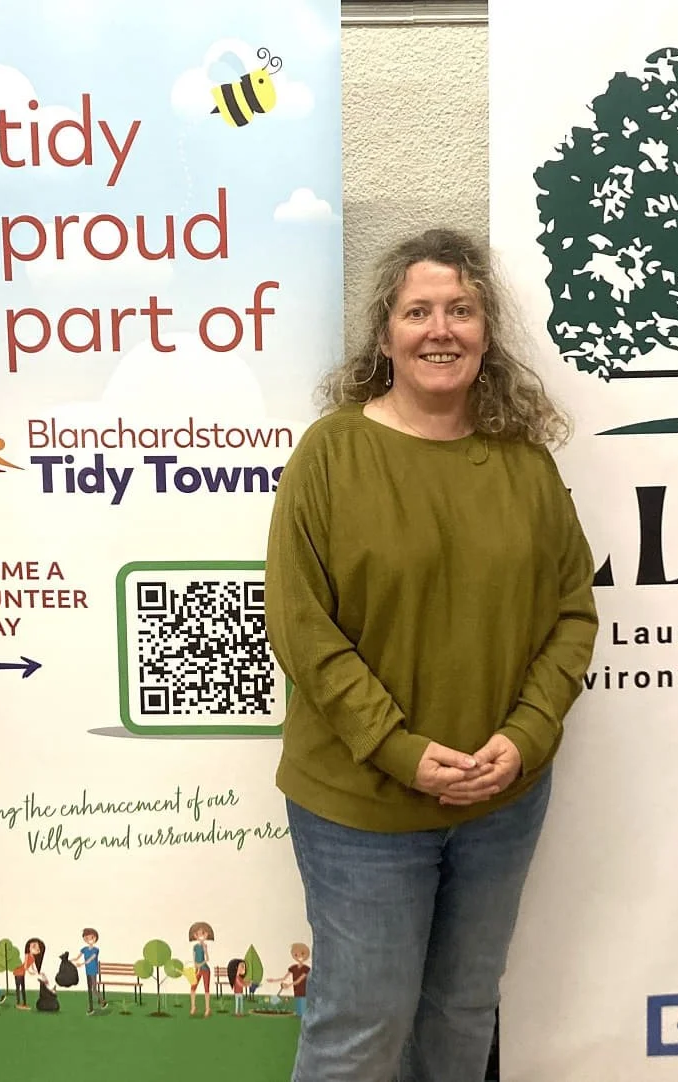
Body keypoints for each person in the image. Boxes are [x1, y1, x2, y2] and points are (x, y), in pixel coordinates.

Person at [265, 227, 599, 1082]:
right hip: (361, 810)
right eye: (418, 311)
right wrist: (401, 752)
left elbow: (571, 613)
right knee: (360, 1023)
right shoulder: (331, 456)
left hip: (500, 801)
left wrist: (524, 738)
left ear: (487, 333)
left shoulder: (524, 466)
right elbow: (303, 629)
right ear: (385, 335)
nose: (439, 328)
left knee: (462, 1015)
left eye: (461, 309)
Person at [72, 927, 104, 1014]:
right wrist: (70, 960)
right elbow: (77, 957)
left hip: (93, 971)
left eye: (91, 938)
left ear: (95, 938)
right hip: (87, 972)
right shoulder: (84, 949)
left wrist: (81, 964)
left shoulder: (96, 950)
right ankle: (91, 1008)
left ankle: (102, 1001)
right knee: (89, 990)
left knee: (94, 989)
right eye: (87, 938)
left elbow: (90, 959)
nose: (89, 940)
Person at [187, 921, 214, 1018]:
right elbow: (194, 958)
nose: (200, 936)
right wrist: (196, 966)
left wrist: (200, 964)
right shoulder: (195, 947)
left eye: (202, 934)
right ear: (196, 936)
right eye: (198, 934)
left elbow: (207, 959)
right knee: (193, 988)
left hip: (205, 969)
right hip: (197, 970)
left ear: (205, 935)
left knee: (206, 989)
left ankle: (207, 1008)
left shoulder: (204, 946)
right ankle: (193, 1006)